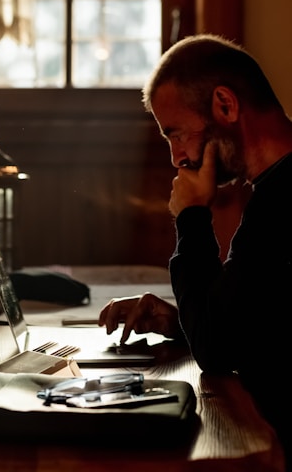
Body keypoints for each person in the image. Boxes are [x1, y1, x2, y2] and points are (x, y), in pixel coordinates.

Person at [98, 33, 292, 470]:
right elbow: (265, 324)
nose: (175, 158)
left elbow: (217, 348)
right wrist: (184, 319)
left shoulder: (281, 203)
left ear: (225, 106)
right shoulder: (276, 189)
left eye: (176, 134)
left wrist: (191, 217)